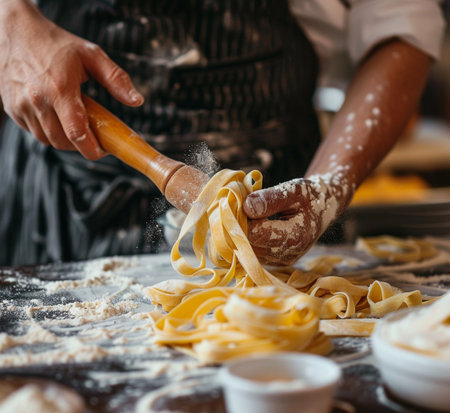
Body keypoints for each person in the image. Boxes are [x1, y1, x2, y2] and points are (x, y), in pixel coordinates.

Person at [0, 0, 445, 266]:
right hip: (61, 193)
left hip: (278, 201)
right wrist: (11, 22)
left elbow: (401, 24)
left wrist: (329, 184)